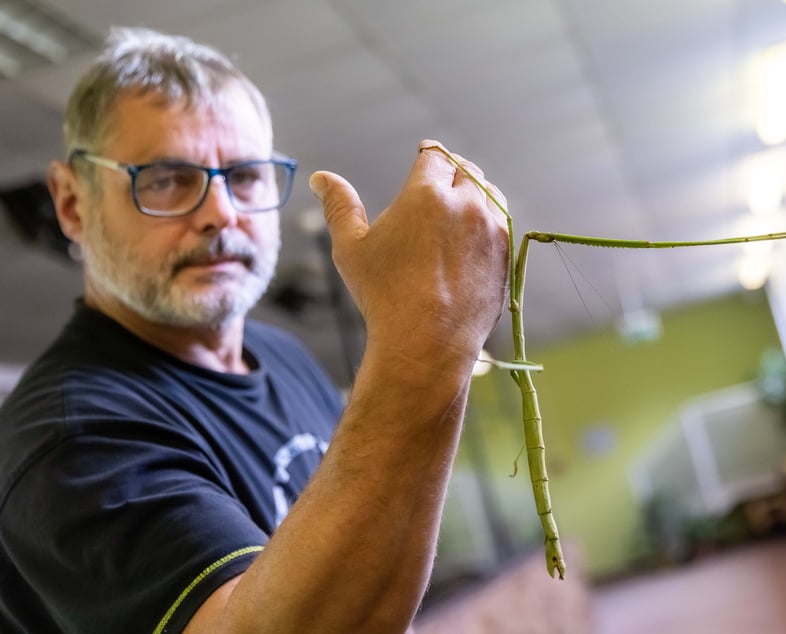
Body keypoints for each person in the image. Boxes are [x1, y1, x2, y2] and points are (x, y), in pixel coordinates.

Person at [0, 26, 509, 633]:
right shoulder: (72, 436)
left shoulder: (281, 354)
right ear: (70, 204)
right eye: (165, 180)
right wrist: (424, 344)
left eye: (244, 177)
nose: (220, 213)